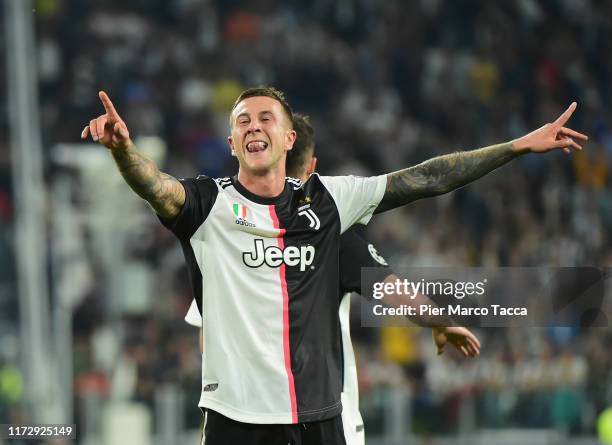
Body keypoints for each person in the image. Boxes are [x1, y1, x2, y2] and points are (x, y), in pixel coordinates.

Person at [81, 87, 586, 445]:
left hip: (319, 418)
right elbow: (155, 186)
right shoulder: (208, 206)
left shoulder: (331, 203)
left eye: (266, 119)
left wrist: (517, 146)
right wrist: (125, 152)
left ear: (288, 140)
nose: (253, 126)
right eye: (242, 122)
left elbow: (427, 178)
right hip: (235, 418)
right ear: (232, 144)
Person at [183, 113, 481, 445]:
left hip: (243, 418)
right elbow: (388, 286)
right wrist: (438, 319)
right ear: (311, 166)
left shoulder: (226, 232)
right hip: (327, 418)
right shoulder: (328, 228)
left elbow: (208, 339)